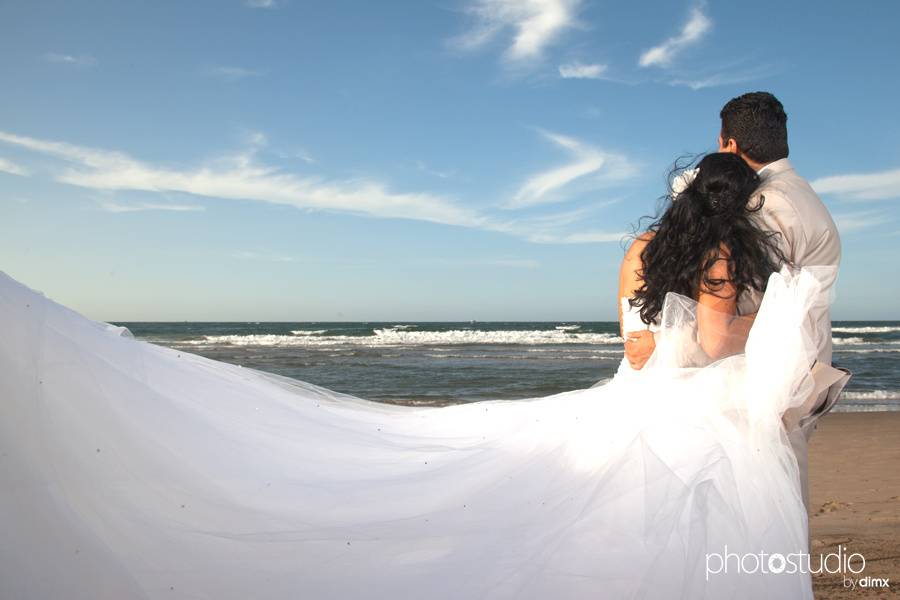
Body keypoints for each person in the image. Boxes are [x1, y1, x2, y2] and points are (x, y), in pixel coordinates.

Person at [0, 164, 836, 597]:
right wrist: (774, 355)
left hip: (641, 398)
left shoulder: (643, 253)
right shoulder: (735, 263)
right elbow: (720, 344)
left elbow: (640, 349)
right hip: (703, 414)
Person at [623, 91, 844, 512]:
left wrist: (656, 331)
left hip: (759, 384)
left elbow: (723, 315)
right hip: (802, 372)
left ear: (730, 145)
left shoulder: (762, 206)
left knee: (751, 512)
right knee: (779, 504)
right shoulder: (808, 199)